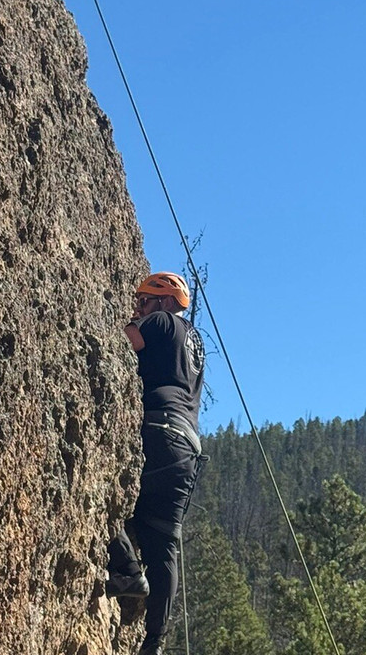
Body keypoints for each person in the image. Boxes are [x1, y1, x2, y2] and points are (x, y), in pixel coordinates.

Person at [106, 271, 206, 655]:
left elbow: (125, 342)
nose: (138, 309)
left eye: (143, 302)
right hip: (187, 447)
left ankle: (128, 571)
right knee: (163, 537)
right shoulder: (193, 342)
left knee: (101, 495)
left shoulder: (162, 321)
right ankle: (154, 642)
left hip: (159, 429)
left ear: (163, 302)